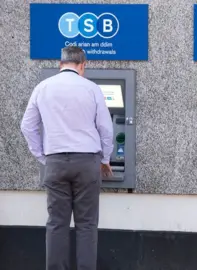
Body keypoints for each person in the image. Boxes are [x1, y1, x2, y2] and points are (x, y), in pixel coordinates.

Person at [20, 46, 114, 270]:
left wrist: (42, 156)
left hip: (55, 162)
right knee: (87, 224)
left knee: (56, 224)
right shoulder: (91, 88)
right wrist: (106, 158)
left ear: (60, 64)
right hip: (87, 162)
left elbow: (27, 126)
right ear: (83, 65)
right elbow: (106, 128)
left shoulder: (42, 88)